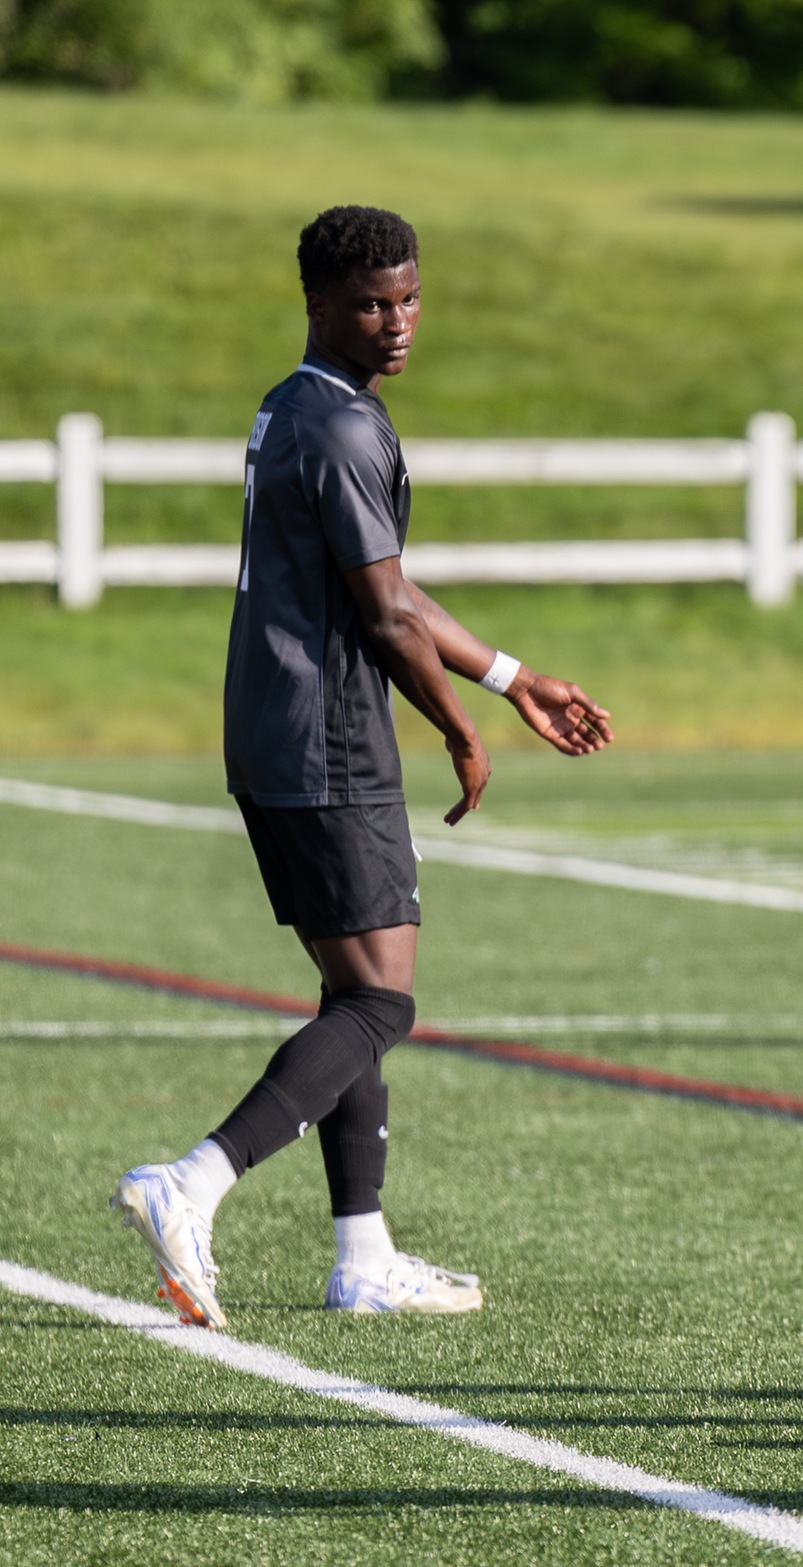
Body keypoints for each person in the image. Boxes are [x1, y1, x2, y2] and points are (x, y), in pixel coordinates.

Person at [111, 206, 614, 1326]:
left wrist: (509, 675)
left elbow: (389, 581)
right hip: (329, 738)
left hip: (275, 730)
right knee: (383, 1001)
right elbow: (385, 615)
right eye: (371, 305)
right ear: (319, 306)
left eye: (409, 300)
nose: (396, 324)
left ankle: (361, 1253)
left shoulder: (297, 408)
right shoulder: (344, 430)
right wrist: (458, 723)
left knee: (355, 989)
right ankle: (192, 1182)